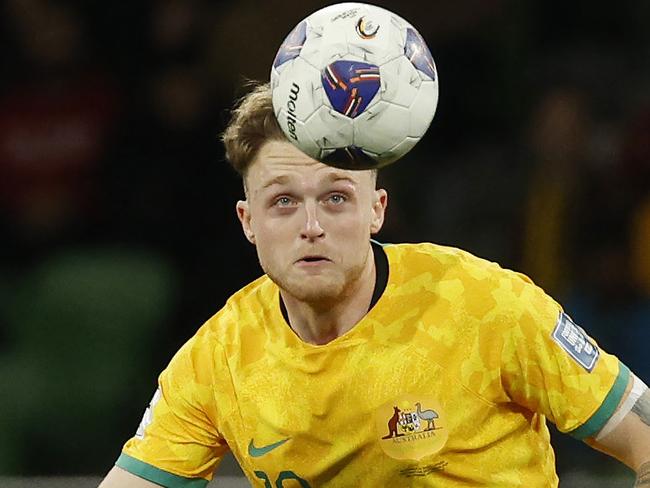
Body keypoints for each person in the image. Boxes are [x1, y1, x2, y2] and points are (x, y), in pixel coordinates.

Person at [99, 83, 650, 487]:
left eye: (336, 197)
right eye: (284, 201)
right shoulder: (217, 359)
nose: (311, 225)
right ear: (248, 221)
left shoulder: (487, 304)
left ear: (375, 210)